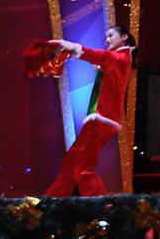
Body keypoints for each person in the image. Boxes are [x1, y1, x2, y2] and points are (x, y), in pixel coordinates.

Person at [45, 26, 136, 196]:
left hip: (101, 120)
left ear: (124, 37)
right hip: (102, 119)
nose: (107, 40)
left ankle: (101, 206)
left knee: (83, 168)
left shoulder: (120, 58)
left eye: (111, 35)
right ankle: (53, 200)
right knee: (72, 161)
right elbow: (102, 60)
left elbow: (98, 55)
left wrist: (71, 45)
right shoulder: (119, 59)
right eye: (106, 37)